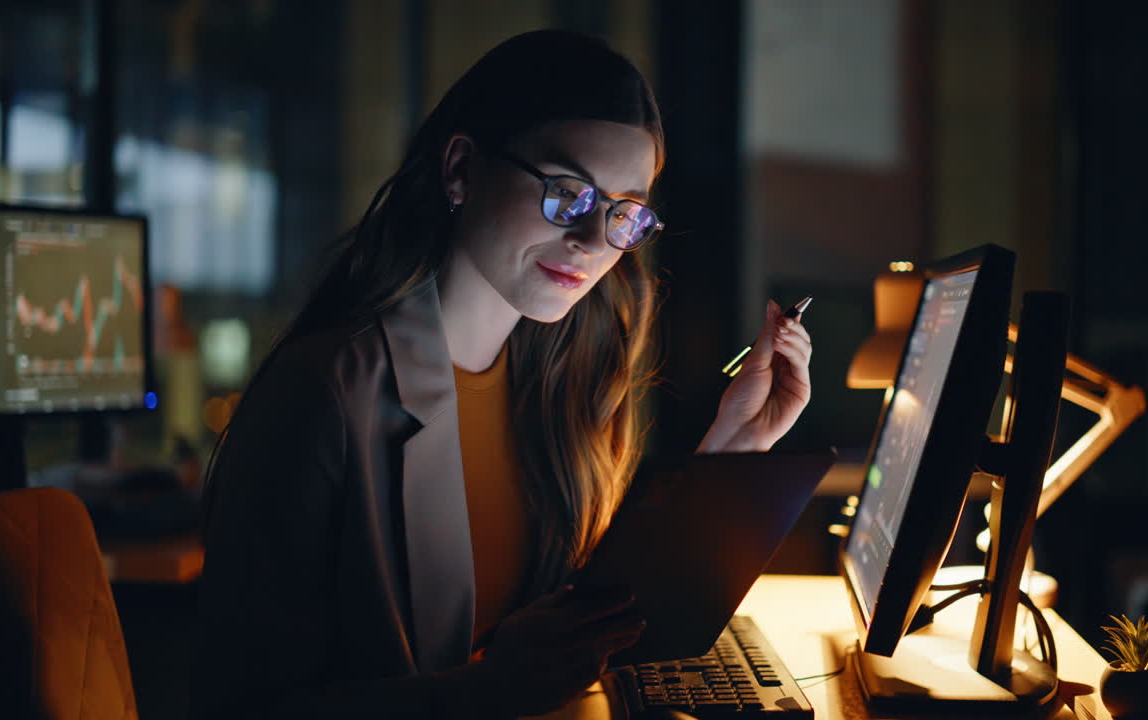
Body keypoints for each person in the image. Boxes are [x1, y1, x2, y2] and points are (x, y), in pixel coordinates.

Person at [192, 29, 813, 719]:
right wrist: (483, 693)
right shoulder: (326, 393)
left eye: (623, 214)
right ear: (460, 169)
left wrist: (735, 445)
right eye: (567, 194)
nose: (590, 242)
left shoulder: (568, 374)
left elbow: (604, 614)